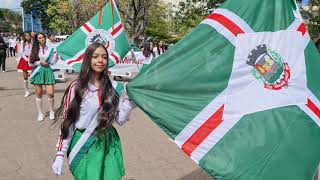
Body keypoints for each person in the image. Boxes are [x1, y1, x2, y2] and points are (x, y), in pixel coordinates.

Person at [51, 43, 135, 179]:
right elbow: (68, 122)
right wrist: (60, 154)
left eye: (104, 57)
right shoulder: (76, 87)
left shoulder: (115, 87)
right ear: (88, 59)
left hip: (108, 142)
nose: (100, 61)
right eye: (95, 57)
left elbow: (119, 120)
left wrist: (130, 102)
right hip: (84, 145)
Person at [29, 33, 58, 121]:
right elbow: (30, 63)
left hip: (47, 71)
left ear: (45, 38)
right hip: (37, 72)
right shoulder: (34, 50)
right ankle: (40, 113)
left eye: (43, 37)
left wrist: (56, 57)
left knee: (50, 93)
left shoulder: (50, 49)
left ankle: (52, 111)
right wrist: (39, 62)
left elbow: (52, 63)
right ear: (37, 40)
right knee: (39, 93)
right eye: (39, 38)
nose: (42, 39)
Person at [17, 32, 33, 97]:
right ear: (25, 37)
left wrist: (31, 58)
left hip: (32, 59)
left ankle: (37, 88)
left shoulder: (33, 43)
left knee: (33, 74)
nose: (28, 37)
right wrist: (27, 59)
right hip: (24, 59)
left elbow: (34, 50)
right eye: (26, 36)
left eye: (29, 35)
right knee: (25, 76)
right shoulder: (22, 43)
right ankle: (26, 91)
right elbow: (21, 52)